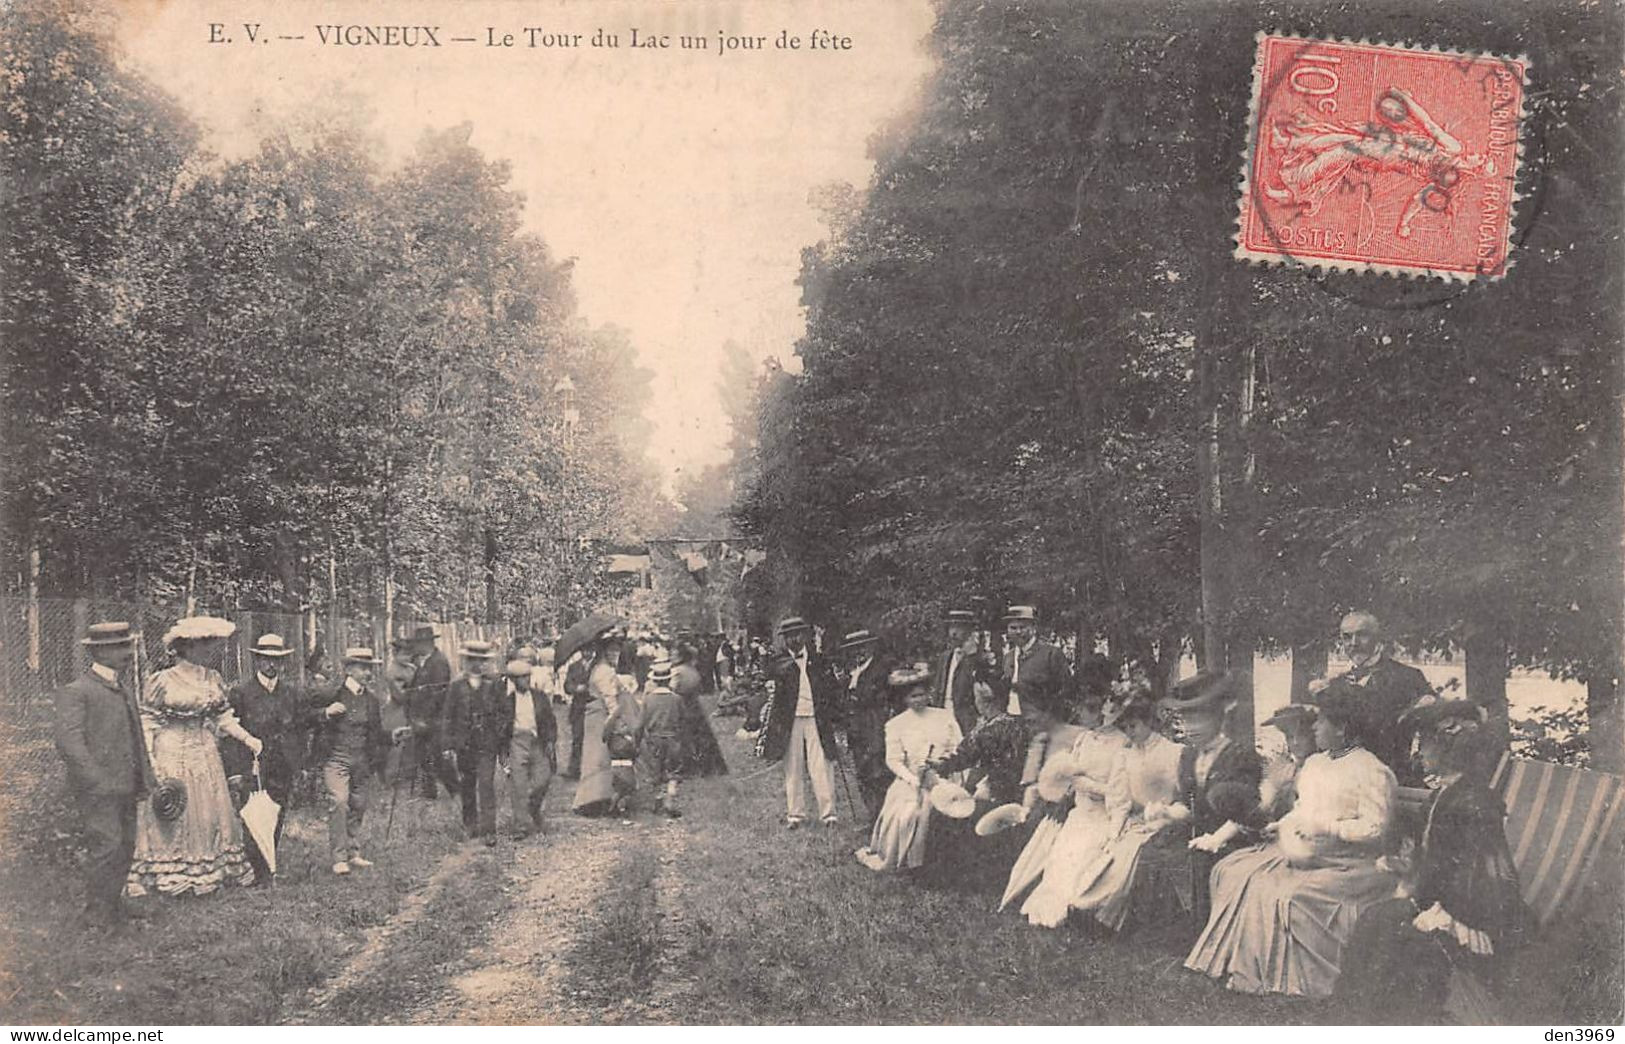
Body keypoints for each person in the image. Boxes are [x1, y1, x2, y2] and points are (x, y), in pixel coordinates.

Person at [1184, 681, 1400, 997]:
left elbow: (1375, 828)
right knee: (1232, 870)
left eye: (1322, 721)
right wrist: (1284, 824)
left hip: (1350, 862)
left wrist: (1326, 827)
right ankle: (1235, 964)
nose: (1315, 728)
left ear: (1342, 727)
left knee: (1287, 894)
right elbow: (1302, 808)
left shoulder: (1371, 770)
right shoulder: (1315, 763)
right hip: (1305, 850)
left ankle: (1284, 979)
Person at [1335, 696, 1529, 1021]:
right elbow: (1435, 861)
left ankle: (1373, 1016)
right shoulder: (1447, 795)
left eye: (1425, 743)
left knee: (1385, 925)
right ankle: (1357, 1015)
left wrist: (1417, 894)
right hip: (1447, 900)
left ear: (1450, 749)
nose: (1418, 752)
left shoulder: (1472, 802)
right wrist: (1408, 869)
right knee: (1376, 919)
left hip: (1476, 917)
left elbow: (1472, 876)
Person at [127, 616, 261, 897]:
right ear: (186, 647)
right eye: (204, 644)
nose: (210, 650)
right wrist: (150, 759)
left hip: (205, 752)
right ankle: (171, 873)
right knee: (174, 808)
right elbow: (148, 721)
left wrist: (247, 738)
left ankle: (209, 869)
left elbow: (223, 717)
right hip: (172, 750)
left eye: (211, 644)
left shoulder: (213, 679)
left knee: (209, 812)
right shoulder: (161, 680)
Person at [53, 622, 155, 929]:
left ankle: (113, 905)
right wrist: (96, 780)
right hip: (98, 789)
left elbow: (136, 737)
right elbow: (69, 743)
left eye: (127, 646)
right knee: (106, 846)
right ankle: (97, 916)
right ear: (98, 652)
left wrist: (145, 777)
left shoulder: (123, 689)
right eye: (119, 647)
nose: (127, 653)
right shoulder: (77, 691)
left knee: (125, 846)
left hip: (127, 784)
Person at [1063, 689, 1189, 932]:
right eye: (1127, 727)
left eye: (1135, 726)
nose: (1130, 732)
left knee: (1130, 856)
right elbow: (1119, 800)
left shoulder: (1173, 752)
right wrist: (1114, 831)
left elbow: (1182, 796)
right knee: (1110, 852)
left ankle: (1106, 918)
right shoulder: (1125, 755)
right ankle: (1084, 908)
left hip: (1166, 819)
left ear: (1149, 722)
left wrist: (1165, 814)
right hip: (1136, 820)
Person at [1018, 689, 1128, 928]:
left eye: (1092, 710)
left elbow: (1119, 791)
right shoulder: (1084, 739)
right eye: (1085, 709)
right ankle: (1047, 909)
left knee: (1084, 852)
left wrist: (1085, 785)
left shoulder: (1122, 744)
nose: (1085, 715)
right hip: (1080, 812)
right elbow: (1068, 773)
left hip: (1103, 814)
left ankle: (1074, 909)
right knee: (1061, 853)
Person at [1169, 672, 1263, 924]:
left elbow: (1248, 813)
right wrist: (1166, 813)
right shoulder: (1188, 755)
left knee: (1207, 860)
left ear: (1218, 717)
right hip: (1199, 836)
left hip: (1236, 836)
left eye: (1198, 720)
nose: (1191, 729)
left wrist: (1216, 838)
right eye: (1186, 720)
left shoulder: (1240, 755)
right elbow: (1185, 802)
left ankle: (1215, 931)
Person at [223, 633, 314, 887]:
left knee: (277, 814)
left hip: (283, 764)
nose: (271, 665)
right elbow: (231, 735)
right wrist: (235, 771)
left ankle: (269, 865)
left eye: (277, 660)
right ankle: (258, 871)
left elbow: (301, 727)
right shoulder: (241, 693)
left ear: (283, 663)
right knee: (254, 814)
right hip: (252, 764)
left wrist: (300, 762)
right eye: (266, 659)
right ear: (257, 661)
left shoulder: (291, 693)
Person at [855, 665, 962, 873]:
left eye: (922, 695)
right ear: (905, 699)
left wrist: (945, 766)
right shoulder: (896, 724)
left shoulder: (944, 716)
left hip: (945, 774)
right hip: (912, 779)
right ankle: (915, 861)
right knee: (910, 813)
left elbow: (958, 745)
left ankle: (947, 861)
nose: (919, 700)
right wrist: (914, 780)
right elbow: (893, 760)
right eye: (913, 697)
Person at [1312, 611, 1431, 785]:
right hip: (1344, 779)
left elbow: (1432, 724)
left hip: (1391, 778)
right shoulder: (1336, 684)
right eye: (1347, 637)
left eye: (1362, 635)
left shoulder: (1407, 677)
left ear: (1378, 638)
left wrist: (1419, 763)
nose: (1354, 643)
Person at [1000, 685, 1087, 911]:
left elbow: (1085, 772)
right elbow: (1031, 781)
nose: (1029, 720)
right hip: (1044, 803)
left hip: (1073, 803)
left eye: (1033, 714)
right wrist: (1028, 805)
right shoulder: (1039, 739)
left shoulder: (1079, 736)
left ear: (1048, 711)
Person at [313, 647, 395, 875]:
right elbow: (305, 713)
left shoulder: (371, 699)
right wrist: (325, 713)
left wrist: (393, 736)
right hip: (336, 758)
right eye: (362, 667)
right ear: (349, 669)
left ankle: (354, 852)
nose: (368, 673)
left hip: (362, 760)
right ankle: (339, 857)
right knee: (339, 802)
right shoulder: (331, 693)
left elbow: (376, 733)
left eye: (369, 668)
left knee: (358, 804)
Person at [759, 616, 845, 829]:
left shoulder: (819, 661)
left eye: (797, 634)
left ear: (805, 636)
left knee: (822, 764)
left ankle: (828, 814)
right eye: (789, 636)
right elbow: (767, 690)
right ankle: (795, 814)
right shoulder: (777, 663)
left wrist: (835, 714)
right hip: (790, 720)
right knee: (793, 765)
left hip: (817, 718)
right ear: (784, 640)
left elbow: (831, 690)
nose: (794, 639)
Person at [441, 640, 504, 842]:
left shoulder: (494, 685)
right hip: (464, 743)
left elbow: (503, 712)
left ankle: (488, 829)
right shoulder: (456, 686)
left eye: (481, 660)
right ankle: (470, 824)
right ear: (466, 661)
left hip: (487, 742)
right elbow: (448, 716)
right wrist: (448, 743)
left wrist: (499, 736)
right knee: (468, 784)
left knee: (486, 783)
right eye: (472, 660)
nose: (476, 664)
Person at [574, 629, 630, 817]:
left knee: (597, 757)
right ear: (604, 651)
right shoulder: (603, 670)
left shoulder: (599, 668)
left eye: (617, 650)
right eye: (612, 650)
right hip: (600, 716)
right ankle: (594, 800)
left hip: (596, 714)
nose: (616, 654)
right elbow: (610, 699)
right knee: (598, 757)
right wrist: (615, 719)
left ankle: (599, 797)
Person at [839, 628, 892, 823]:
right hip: (856, 728)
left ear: (871, 647)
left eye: (862, 647)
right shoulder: (851, 672)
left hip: (874, 724)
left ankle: (883, 816)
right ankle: (872, 815)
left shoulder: (881, 670)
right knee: (862, 771)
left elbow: (878, 699)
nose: (858, 652)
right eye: (853, 649)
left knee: (877, 770)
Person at [500, 656, 556, 839]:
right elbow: (501, 728)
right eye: (522, 677)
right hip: (517, 742)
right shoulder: (507, 701)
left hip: (536, 741)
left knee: (543, 779)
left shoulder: (539, 697)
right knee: (518, 785)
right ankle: (521, 826)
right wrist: (503, 752)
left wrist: (550, 741)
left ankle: (534, 807)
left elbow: (550, 720)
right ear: (514, 680)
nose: (526, 680)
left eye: (528, 676)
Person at [403, 625, 451, 799]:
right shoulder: (423, 661)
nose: (415, 647)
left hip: (435, 719)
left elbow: (438, 694)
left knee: (438, 757)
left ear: (427, 643)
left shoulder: (439, 662)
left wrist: (425, 718)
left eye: (418, 643)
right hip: (421, 719)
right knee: (423, 755)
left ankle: (455, 790)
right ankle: (428, 792)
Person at [1000, 606, 1072, 716]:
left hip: (1042, 724)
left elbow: (1065, 693)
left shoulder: (1051, 654)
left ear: (1034, 628)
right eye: (1013, 628)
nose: (1018, 632)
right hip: (1012, 722)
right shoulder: (1008, 657)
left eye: (1023, 627)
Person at [672, 640, 728, 777]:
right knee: (702, 737)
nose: (671, 656)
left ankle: (689, 767)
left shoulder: (677, 672)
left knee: (685, 737)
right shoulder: (692, 670)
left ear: (680, 656)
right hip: (695, 705)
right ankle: (709, 766)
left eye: (673, 654)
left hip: (683, 705)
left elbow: (673, 689)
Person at [636, 659, 685, 818]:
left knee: (655, 770)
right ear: (669, 679)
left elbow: (640, 724)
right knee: (674, 771)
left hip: (654, 739)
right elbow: (683, 720)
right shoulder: (677, 699)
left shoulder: (648, 699)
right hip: (673, 738)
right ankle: (670, 799)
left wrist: (637, 742)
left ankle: (658, 800)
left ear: (654, 681)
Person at [935, 609, 981, 739]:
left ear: (969, 631)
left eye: (959, 627)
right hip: (942, 713)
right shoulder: (945, 657)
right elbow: (939, 686)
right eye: (951, 627)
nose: (953, 632)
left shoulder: (978, 658)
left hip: (965, 717)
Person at [562, 650, 592, 780]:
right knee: (577, 739)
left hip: (593, 706)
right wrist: (575, 688)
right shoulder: (573, 666)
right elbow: (567, 686)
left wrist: (588, 688)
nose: (587, 651)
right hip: (578, 708)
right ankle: (574, 769)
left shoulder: (598, 666)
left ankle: (591, 769)